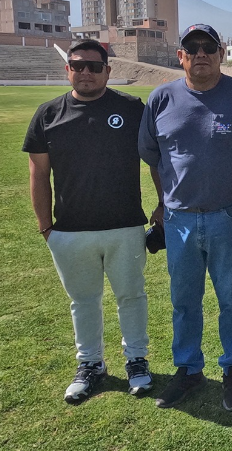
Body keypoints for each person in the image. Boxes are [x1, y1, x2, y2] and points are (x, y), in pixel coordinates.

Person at [139, 24, 232, 410]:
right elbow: (154, 158)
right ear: (181, 56)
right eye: (191, 48)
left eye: (208, 47)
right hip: (178, 221)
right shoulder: (161, 99)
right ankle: (189, 369)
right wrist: (162, 204)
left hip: (229, 216)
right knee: (184, 301)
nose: (200, 54)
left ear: (221, 53)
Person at [23, 39, 153, 403]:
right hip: (69, 230)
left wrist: (161, 204)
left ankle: (137, 362)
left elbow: (154, 159)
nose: (85, 72)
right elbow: (38, 174)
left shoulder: (131, 109)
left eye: (94, 67)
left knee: (132, 296)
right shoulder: (48, 114)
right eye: (77, 65)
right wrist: (45, 226)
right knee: (83, 301)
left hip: (125, 225)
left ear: (107, 71)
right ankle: (91, 364)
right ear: (68, 70)